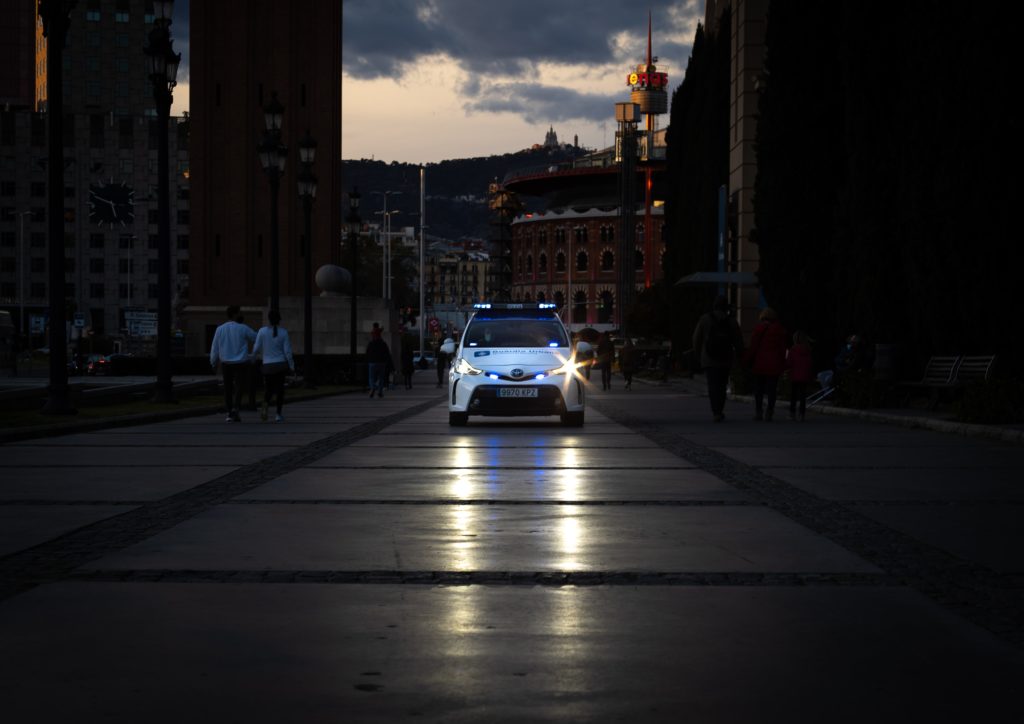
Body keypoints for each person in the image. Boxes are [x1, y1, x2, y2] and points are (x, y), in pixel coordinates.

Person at [692, 295, 744, 422]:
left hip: (709, 358)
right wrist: (739, 356)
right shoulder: (731, 321)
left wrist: (698, 355)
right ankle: (720, 410)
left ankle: (715, 411)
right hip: (725, 358)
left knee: (712, 385)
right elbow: (738, 341)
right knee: (722, 385)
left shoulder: (705, 319)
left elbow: (696, 339)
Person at [209, 305, 256, 422]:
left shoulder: (220, 329)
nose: (241, 314)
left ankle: (230, 412)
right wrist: (254, 355)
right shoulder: (243, 328)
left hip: (226, 362)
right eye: (240, 312)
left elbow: (215, 347)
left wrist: (213, 362)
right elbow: (256, 338)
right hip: (241, 362)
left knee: (228, 388)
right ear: (235, 314)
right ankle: (236, 408)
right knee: (239, 387)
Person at [743, 307, 789, 421]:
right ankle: (769, 412)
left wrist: (745, 360)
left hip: (760, 364)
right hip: (774, 365)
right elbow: (783, 349)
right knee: (771, 390)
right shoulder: (780, 330)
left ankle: (759, 412)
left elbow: (753, 347)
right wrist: (783, 364)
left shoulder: (759, 329)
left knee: (758, 390)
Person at [253, 310, 295, 422]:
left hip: (267, 365)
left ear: (269, 319)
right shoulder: (283, 332)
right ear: (279, 320)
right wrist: (291, 366)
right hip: (280, 364)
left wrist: (253, 359)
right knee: (280, 390)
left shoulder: (262, 331)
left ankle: (264, 410)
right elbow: (288, 352)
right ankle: (278, 414)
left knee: (268, 390)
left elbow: (256, 348)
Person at [786, 330, 814, 421]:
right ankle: (802, 414)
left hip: (794, 375)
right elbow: (810, 363)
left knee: (793, 396)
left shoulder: (793, 350)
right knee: (802, 396)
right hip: (804, 376)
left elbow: (789, 363)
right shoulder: (808, 350)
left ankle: (792, 414)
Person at [366, 330, 391, 398]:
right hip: (382, 363)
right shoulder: (383, 344)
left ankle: (373, 387)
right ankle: (380, 392)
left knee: (371, 377)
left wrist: (368, 360)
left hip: (372, 362)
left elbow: (367, 353)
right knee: (381, 378)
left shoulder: (371, 344)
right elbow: (387, 353)